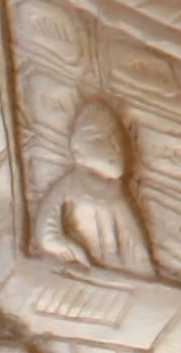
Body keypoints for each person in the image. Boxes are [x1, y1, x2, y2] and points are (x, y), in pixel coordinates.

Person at [45, 98, 158, 276]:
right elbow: (46, 231)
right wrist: (67, 247)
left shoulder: (118, 192)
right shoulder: (68, 186)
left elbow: (137, 244)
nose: (115, 147)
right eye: (99, 139)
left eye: (116, 138)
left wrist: (147, 273)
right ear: (78, 149)